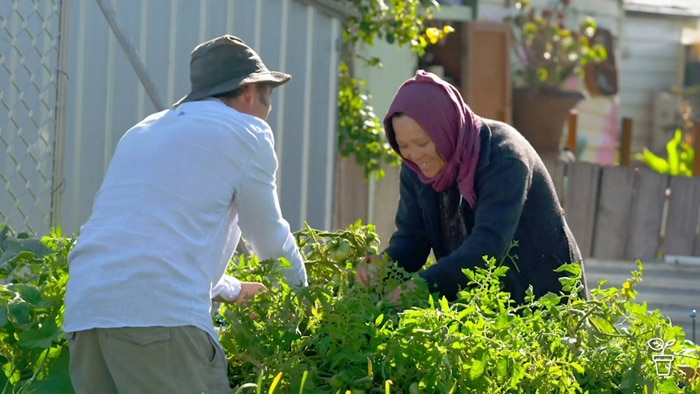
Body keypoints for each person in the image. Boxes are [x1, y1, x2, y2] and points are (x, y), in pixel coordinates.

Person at [63, 34, 308, 393]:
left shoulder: (142, 131)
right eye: (267, 100)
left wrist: (231, 288)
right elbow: (268, 237)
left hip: (87, 315)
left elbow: (147, 234)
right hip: (160, 323)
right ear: (250, 92)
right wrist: (303, 299)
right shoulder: (248, 131)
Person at [356, 70, 587, 305]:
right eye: (402, 145)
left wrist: (420, 286)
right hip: (484, 301)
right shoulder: (416, 169)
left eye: (422, 142)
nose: (414, 155)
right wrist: (383, 267)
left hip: (546, 294)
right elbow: (412, 241)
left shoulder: (504, 156)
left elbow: (487, 248)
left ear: (445, 129)